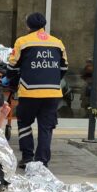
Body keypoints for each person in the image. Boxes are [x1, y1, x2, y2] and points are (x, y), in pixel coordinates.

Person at [8, 12, 67, 167]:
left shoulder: (23, 41)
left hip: (29, 92)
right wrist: (51, 80)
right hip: (52, 93)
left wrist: (10, 79)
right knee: (46, 127)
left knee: (24, 123)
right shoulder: (57, 43)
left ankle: (27, 158)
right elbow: (64, 68)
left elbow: (12, 65)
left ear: (28, 26)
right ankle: (42, 162)